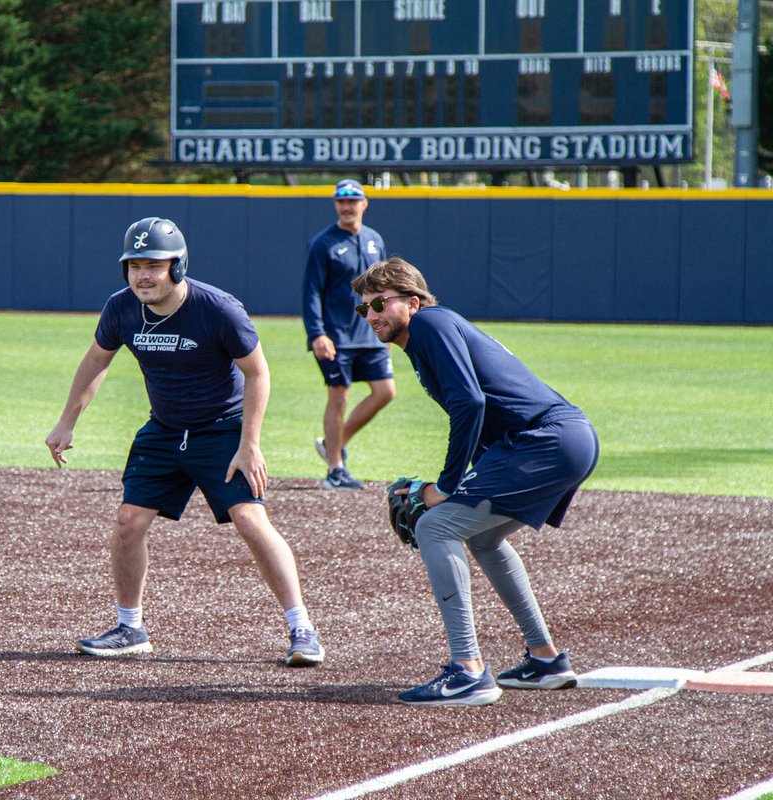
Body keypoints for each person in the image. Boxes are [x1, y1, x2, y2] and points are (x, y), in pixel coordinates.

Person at [45, 217, 325, 667]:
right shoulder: (120, 309)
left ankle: (302, 629)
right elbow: (96, 359)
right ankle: (129, 627)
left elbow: (258, 372)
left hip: (222, 429)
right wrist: (66, 423)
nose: (143, 275)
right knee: (127, 522)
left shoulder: (217, 308)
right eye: (134, 264)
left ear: (178, 266)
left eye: (154, 264)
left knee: (250, 520)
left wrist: (249, 443)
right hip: (164, 429)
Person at [351, 256, 598, 707]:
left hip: (544, 439)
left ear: (412, 300)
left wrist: (445, 486)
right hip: (556, 439)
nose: (370, 316)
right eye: (363, 309)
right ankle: (545, 659)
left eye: (379, 304)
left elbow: (470, 403)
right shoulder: (430, 333)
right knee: (483, 539)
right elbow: (486, 411)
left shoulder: (429, 325)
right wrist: (457, 483)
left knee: (434, 525)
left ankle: (467, 670)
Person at [302, 179, 396, 491]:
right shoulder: (323, 243)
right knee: (339, 395)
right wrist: (317, 334)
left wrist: (388, 325)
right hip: (336, 336)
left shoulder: (374, 240)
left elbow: (382, 288)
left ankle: (333, 444)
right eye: (341, 202)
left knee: (385, 392)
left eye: (352, 201)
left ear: (364, 204)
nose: (346, 207)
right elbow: (311, 291)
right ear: (335, 205)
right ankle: (334, 469)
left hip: (370, 333)